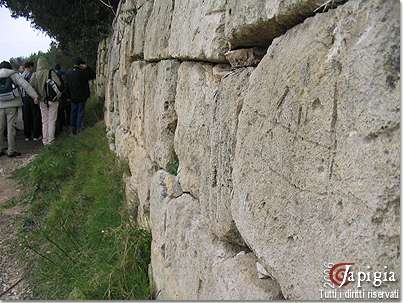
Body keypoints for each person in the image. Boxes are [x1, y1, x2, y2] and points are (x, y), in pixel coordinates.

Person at [0, 61, 38, 157]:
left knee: (0, 128)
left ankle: (0, 149)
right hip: (12, 105)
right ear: (9, 67)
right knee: (10, 128)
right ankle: (11, 150)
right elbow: (26, 85)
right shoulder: (13, 74)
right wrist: (35, 96)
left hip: (0, 105)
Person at [30, 57, 62, 145]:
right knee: (52, 120)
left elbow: (31, 87)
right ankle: (51, 140)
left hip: (41, 100)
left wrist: (36, 96)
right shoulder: (50, 72)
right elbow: (58, 84)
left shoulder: (35, 75)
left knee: (44, 121)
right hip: (52, 99)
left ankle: (45, 141)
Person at [65, 58, 95, 134]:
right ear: (81, 65)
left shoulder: (68, 73)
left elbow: (66, 86)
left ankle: (72, 129)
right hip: (82, 96)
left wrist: (68, 96)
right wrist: (87, 67)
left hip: (72, 96)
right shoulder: (83, 72)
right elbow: (93, 75)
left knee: (73, 112)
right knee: (80, 112)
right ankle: (79, 129)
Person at [21, 61, 42, 141]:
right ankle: (36, 135)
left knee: (26, 116)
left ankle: (27, 135)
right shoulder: (32, 75)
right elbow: (35, 87)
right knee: (35, 116)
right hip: (32, 97)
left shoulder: (21, 76)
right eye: (32, 67)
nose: (32, 69)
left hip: (24, 98)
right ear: (29, 67)